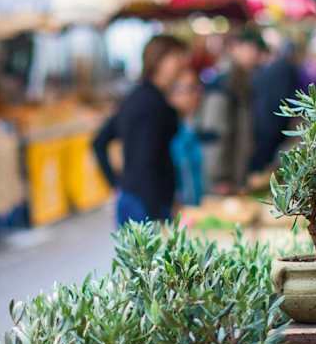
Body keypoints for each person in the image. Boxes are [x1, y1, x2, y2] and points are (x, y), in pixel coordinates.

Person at [92, 35, 188, 226]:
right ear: (159, 61)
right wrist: (158, 212)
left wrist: (118, 186)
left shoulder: (137, 97)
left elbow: (99, 142)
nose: (181, 64)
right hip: (147, 203)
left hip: (134, 197)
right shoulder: (152, 103)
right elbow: (147, 161)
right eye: (177, 57)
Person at [201, 29, 263, 196]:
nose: (255, 55)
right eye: (251, 48)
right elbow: (214, 134)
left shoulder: (241, 80)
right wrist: (219, 177)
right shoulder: (223, 83)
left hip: (236, 175)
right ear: (235, 47)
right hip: (222, 182)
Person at [249, 35, 303, 175]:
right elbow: (287, 100)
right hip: (272, 128)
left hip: (263, 128)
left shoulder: (268, 70)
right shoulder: (285, 69)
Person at [167, 67, 205, 207]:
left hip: (195, 208)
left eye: (198, 87)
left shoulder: (192, 128)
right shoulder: (169, 132)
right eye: (191, 88)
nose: (197, 94)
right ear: (173, 95)